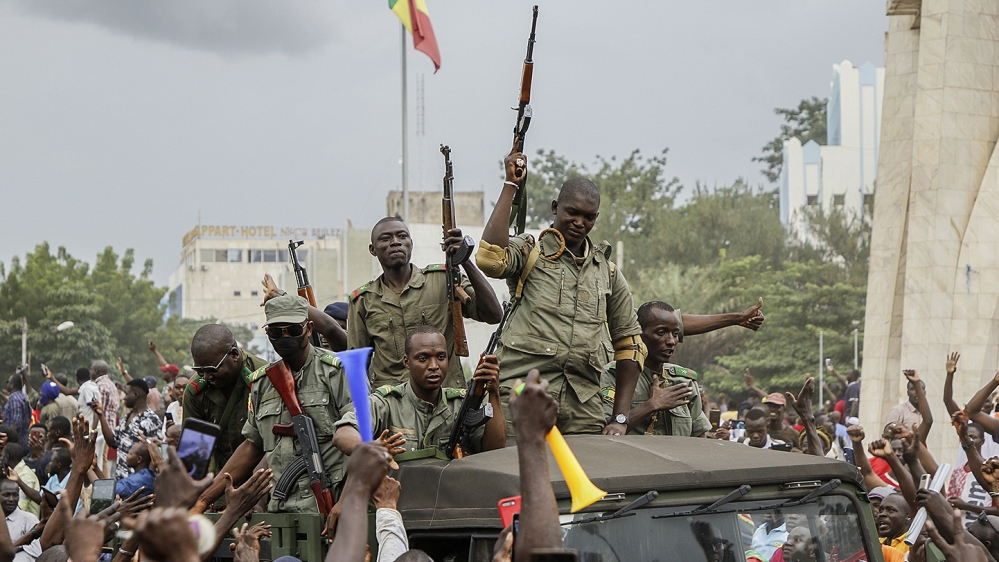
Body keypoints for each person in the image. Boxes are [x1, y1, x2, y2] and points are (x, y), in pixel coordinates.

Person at [478, 155, 763, 436]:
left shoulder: (608, 273)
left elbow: (630, 345)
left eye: (588, 217)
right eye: (572, 213)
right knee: (518, 473)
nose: (579, 222)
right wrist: (510, 185)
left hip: (582, 407)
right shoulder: (531, 252)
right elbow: (490, 259)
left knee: (583, 480)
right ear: (555, 207)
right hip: (521, 393)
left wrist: (621, 417)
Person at [194, 294, 354, 522]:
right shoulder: (262, 383)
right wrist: (203, 499)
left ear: (309, 329)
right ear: (268, 334)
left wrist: (346, 501)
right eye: (277, 332)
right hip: (281, 511)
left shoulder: (337, 372)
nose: (285, 337)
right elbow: (252, 446)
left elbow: (363, 444)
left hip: (333, 507)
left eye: (293, 330)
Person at [348, 217, 503, 389]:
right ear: (373, 249)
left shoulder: (443, 280)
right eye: (386, 238)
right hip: (393, 404)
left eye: (402, 236)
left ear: (411, 244)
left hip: (446, 398)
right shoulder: (363, 301)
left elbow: (494, 314)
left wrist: (464, 259)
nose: (395, 242)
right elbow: (356, 366)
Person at [334, 326, 506, 460]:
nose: (433, 366)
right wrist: (369, 448)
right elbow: (343, 434)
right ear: (407, 362)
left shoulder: (460, 404)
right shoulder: (387, 403)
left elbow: (493, 450)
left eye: (440, 357)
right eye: (422, 359)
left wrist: (493, 394)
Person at [599, 301, 711, 437]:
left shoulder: (683, 382)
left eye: (675, 334)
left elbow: (700, 438)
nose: (671, 341)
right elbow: (604, 432)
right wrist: (650, 406)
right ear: (638, 334)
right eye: (661, 332)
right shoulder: (612, 376)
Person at [184, 324, 266, 474]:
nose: (207, 376)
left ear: (234, 354)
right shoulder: (196, 391)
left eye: (212, 370)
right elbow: (194, 455)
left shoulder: (265, 380)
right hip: (222, 477)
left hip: (265, 476)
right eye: (200, 370)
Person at [93, 379, 163, 480]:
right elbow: (111, 441)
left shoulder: (151, 420)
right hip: (122, 480)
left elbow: (155, 453)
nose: (123, 398)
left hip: (138, 483)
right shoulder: (127, 417)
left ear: (135, 395)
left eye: (126, 394)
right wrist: (101, 415)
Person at [744, 371, 799, 444]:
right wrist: (752, 386)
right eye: (770, 406)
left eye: (777, 406)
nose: (773, 409)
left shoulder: (793, 434)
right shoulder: (757, 431)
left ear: (784, 409)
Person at [0, 479, 38, 553]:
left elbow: (37, 549)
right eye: (6, 495)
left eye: (15, 495)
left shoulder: (29, 519)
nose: (11, 499)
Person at [3, 443, 40, 518]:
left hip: (27, 524)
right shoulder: (15, 472)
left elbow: (21, 507)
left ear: (7, 457)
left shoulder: (25, 475)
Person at [4, 375, 31, 450]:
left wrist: (8, 441)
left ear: (12, 385)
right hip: (24, 439)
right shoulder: (24, 396)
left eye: (8, 382)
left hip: (16, 443)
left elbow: (16, 424)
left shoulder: (14, 398)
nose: (7, 384)